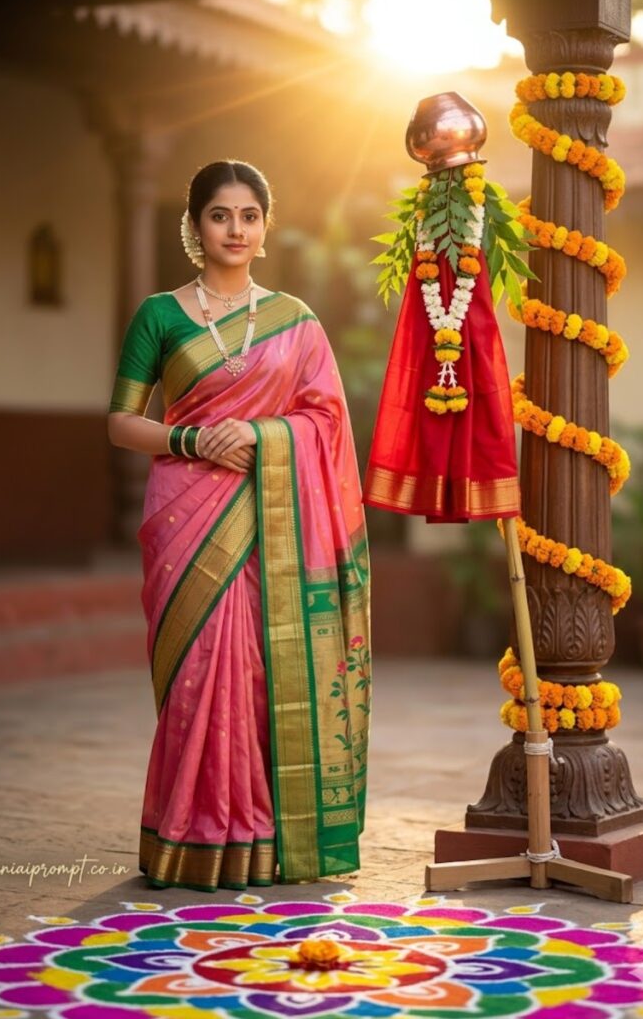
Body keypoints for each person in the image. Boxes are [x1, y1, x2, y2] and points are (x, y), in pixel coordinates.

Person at [107, 160, 371, 892]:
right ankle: (188, 838)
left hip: (269, 514)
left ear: (265, 225)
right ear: (195, 226)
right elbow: (121, 422)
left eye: (248, 216)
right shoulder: (160, 315)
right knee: (195, 672)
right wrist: (193, 438)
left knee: (258, 670)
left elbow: (325, 420)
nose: (235, 229)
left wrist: (260, 434)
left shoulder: (296, 321)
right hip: (184, 513)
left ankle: (258, 837)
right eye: (219, 215)